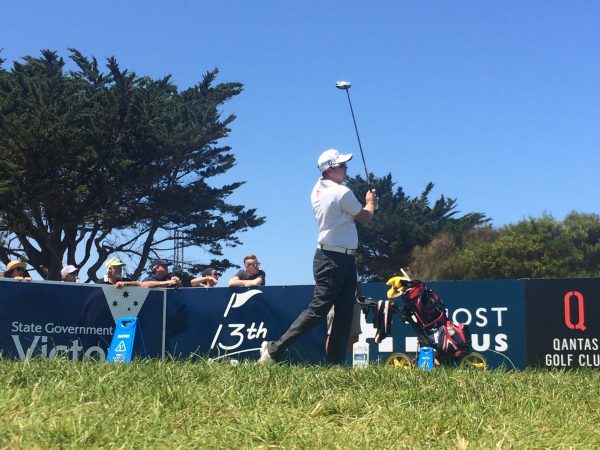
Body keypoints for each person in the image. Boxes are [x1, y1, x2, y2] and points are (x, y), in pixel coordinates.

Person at [259, 149, 376, 365]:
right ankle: (274, 349)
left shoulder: (317, 188)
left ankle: (335, 363)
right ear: (330, 169)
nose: (346, 169)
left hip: (337, 258)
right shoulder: (342, 192)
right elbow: (365, 217)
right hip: (333, 259)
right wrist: (371, 202)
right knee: (318, 310)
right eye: (342, 166)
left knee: (344, 312)